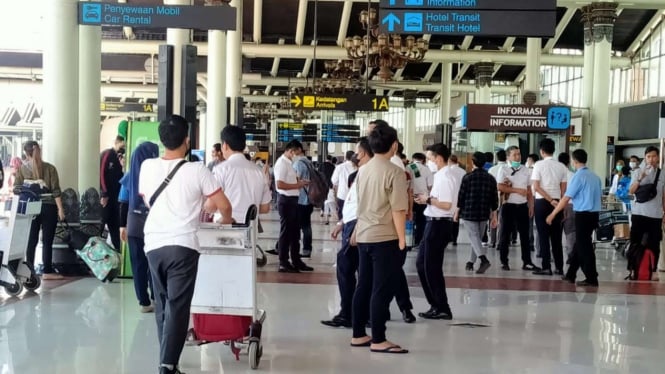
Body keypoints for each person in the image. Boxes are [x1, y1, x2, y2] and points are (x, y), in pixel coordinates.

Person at [139, 115, 233, 374]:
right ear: (187, 140)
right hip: (183, 245)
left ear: (161, 140)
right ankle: (167, 366)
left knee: (163, 304)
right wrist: (224, 221)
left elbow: (147, 199)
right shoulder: (197, 170)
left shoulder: (147, 167)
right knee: (178, 306)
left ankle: (167, 360)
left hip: (154, 244)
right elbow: (224, 205)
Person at [351, 123, 409, 354]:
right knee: (381, 289)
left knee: (363, 285)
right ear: (394, 145)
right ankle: (378, 339)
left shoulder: (362, 170)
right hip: (385, 237)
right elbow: (398, 210)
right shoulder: (395, 172)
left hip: (364, 235)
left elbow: (359, 204)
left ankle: (358, 334)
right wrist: (402, 240)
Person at [321, 138, 371, 328]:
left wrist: (356, 229)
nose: (356, 156)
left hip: (358, 226)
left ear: (364, 153)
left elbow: (365, 205)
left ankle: (350, 313)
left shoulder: (366, 174)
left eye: (358, 152)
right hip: (351, 224)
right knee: (353, 269)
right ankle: (354, 312)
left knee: (347, 267)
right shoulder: (359, 173)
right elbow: (353, 203)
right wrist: (342, 223)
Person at [415, 143, 459, 320]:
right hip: (432, 222)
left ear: (439, 158)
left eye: (430, 158)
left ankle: (442, 307)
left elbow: (447, 204)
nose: (429, 162)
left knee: (431, 267)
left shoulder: (446, 176)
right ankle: (435, 304)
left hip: (439, 224)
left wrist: (428, 200)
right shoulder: (440, 175)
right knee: (422, 264)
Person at [547, 149, 602, 287]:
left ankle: (591, 277)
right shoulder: (595, 177)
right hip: (594, 214)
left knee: (585, 247)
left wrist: (553, 214)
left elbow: (566, 198)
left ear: (574, 161)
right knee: (580, 244)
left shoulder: (578, 177)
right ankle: (571, 274)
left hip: (583, 215)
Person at [14, 141, 66, 280]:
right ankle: (47, 272)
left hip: (31, 207)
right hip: (49, 207)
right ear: (39, 151)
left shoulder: (22, 170)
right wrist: (61, 209)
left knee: (32, 240)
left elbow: (16, 189)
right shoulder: (50, 168)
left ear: (26, 153)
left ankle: (30, 272)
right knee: (47, 241)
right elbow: (56, 191)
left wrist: (28, 188)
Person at [119, 142, 159, 313]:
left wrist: (122, 226)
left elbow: (123, 201)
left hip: (134, 223)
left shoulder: (129, 176)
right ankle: (156, 297)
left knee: (138, 263)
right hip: (154, 223)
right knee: (154, 261)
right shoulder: (158, 174)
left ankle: (143, 301)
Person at [208, 125, 272, 223]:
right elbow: (265, 207)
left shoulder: (221, 170)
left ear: (224, 145)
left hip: (225, 230)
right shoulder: (259, 172)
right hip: (250, 231)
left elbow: (211, 206)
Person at [496, 146, 539, 271]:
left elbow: (529, 190)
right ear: (508, 156)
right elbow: (500, 187)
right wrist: (516, 190)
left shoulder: (526, 170)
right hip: (508, 205)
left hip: (522, 206)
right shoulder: (503, 169)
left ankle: (527, 261)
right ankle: (504, 261)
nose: (517, 157)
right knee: (505, 234)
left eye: (519, 154)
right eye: (514, 155)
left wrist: (531, 206)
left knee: (525, 235)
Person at [456, 152, 498, 273]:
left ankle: (483, 260)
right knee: (477, 238)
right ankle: (470, 262)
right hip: (484, 212)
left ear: (472, 162)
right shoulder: (491, 178)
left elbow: (461, 196)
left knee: (474, 237)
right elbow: (494, 198)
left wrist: (457, 211)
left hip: (469, 211)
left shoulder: (467, 177)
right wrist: (494, 215)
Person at [531, 138, 568, 276]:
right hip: (558, 203)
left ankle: (546, 267)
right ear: (554, 150)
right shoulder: (562, 167)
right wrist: (559, 204)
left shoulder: (538, 165)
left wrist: (549, 199)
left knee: (543, 236)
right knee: (556, 237)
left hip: (542, 203)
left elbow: (536, 187)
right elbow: (564, 190)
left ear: (541, 151)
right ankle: (559, 267)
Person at [274, 140, 310, 273]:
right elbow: (280, 185)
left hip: (293, 200)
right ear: (291, 151)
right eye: (297, 153)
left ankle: (296, 260)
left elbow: (288, 181)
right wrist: (298, 185)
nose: (297, 155)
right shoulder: (281, 164)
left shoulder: (289, 163)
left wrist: (300, 182)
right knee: (286, 232)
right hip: (286, 201)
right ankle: (283, 261)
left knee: (295, 232)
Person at [628, 146, 665, 274]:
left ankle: (652, 270)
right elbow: (631, 191)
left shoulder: (662, 173)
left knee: (654, 243)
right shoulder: (638, 172)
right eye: (648, 156)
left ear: (658, 158)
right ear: (645, 157)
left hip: (655, 215)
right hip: (639, 213)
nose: (651, 159)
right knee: (635, 241)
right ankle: (633, 268)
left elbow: (663, 195)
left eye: (654, 156)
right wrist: (641, 177)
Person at [100, 135, 125, 251]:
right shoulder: (107, 154)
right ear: (116, 143)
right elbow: (101, 174)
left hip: (118, 199)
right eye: (121, 145)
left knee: (116, 227)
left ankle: (119, 253)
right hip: (108, 197)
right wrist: (104, 193)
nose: (123, 148)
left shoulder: (123, 158)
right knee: (101, 224)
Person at [292, 151, 317, 264]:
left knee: (297, 225)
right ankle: (307, 249)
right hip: (309, 198)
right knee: (307, 225)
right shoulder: (309, 163)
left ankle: (300, 249)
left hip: (301, 199)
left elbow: (295, 180)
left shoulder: (298, 164)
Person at [408, 152, 433, 248]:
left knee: (409, 220)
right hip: (422, 199)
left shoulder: (408, 167)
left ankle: (408, 242)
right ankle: (419, 241)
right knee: (421, 221)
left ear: (413, 158)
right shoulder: (427, 169)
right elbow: (430, 185)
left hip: (410, 197)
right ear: (423, 160)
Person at [558, 152, 577, 264]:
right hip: (570, 205)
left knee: (555, 233)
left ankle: (555, 254)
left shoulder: (556, 175)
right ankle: (570, 256)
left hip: (556, 205)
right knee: (570, 232)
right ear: (569, 162)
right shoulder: (573, 175)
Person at [331, 150, 356, 222]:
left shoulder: (339, 167)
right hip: (354, 197)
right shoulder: (358, 167)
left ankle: (342, 230)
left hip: (342, 195)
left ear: (345, 157)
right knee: (352, 217)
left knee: (342, 215)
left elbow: (334, 181)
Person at [448, 154, 466, 245]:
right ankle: (455, 239)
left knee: (448, 217)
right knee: (456, 218)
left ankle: (448, 237)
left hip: (450, 197)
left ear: (449, 161)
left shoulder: (448, 171)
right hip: (460, 197)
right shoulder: (463, 171)